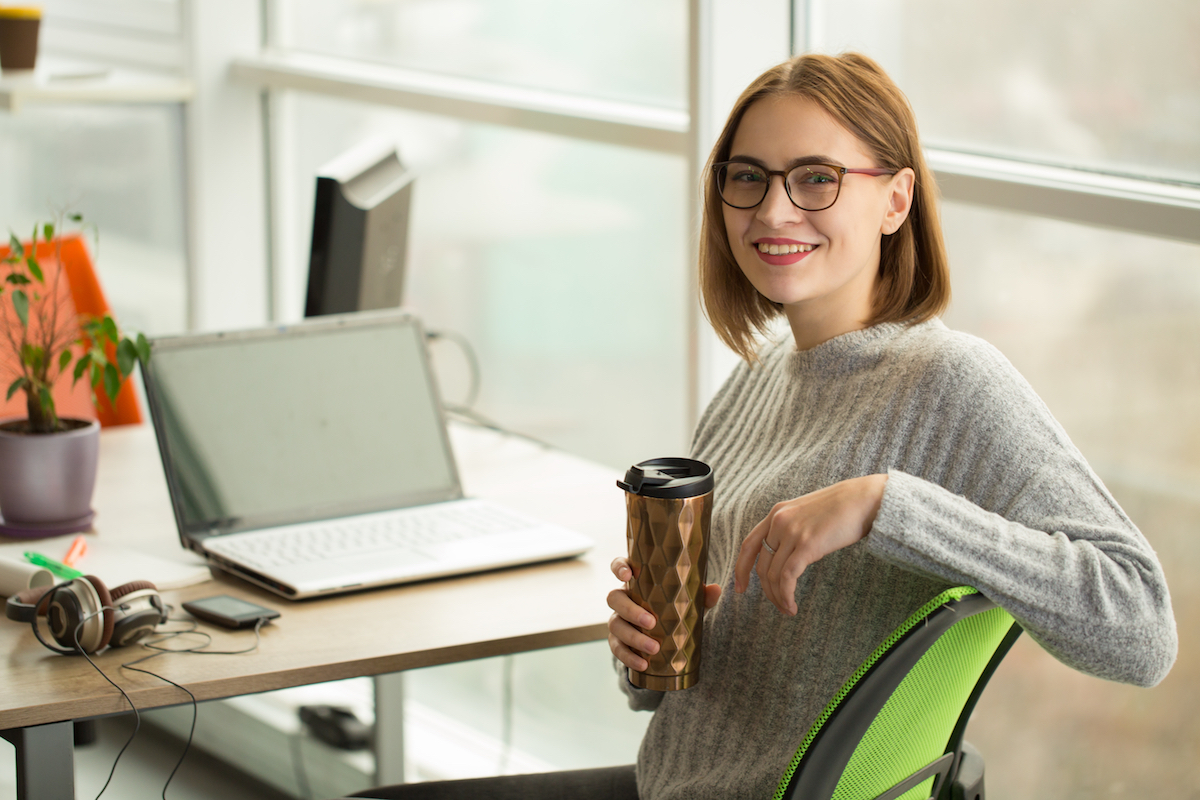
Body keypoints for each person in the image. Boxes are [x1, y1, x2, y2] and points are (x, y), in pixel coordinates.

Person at [352, 51, 1176, 800]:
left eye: (817, 179)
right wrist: (643, 653)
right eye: (747, 178)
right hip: (674, 782)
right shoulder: (755, 380)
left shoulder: (952, 382)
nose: (774, 210)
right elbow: (676, 686)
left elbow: (1140, 631)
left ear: (895, 199)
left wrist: (886, 504)